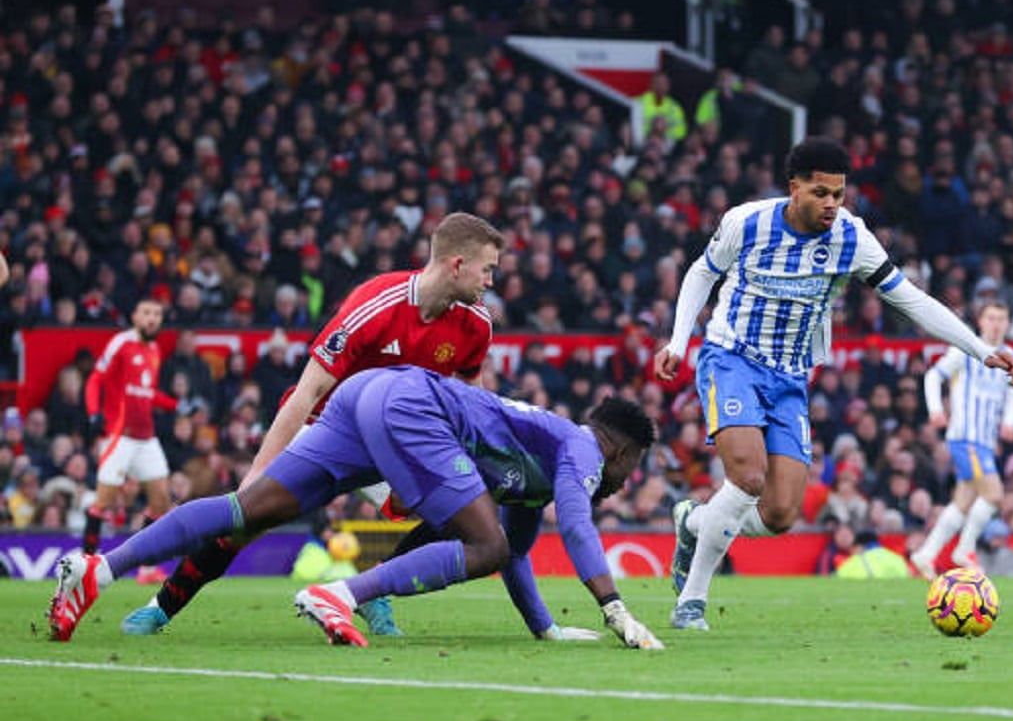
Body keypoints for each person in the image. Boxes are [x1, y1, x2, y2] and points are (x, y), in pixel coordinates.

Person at [654, 137, 1013, 630]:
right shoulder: (748, 222)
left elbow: (910, 300)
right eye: (821, 192)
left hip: (789, 376)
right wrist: (679, 341)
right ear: (795, 188)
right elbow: (702, 273)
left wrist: (980, 348)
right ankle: (691, 602)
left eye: (839, 194)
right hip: (731, 358)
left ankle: (694, 522)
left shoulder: (852, 238)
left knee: (781, 513)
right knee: (747, 475)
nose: (831, 204)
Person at [49, 367, 663, 651]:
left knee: (247, 509)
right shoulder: (584, 446)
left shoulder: (544, 467)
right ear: (621, 450)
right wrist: (614, 608)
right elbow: (578, 526)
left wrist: (546, 627)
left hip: (365, 397)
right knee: (482, 542)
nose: (623, 482)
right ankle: (342, 595)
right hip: (416, 406)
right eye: (629, 468)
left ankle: (99, 569)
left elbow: (519, 554)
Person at [122, 213, 502, 638]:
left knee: (456, 514)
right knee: (246, 521)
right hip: (327, 429)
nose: (490, 281)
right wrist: (257, 476)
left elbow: (472, 397)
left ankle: (369, 586)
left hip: (394, 442)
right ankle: (160, 606)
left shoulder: (476, 323)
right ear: (456, 265)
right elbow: (306, 393)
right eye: (487, 269)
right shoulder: (376, 303)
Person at [911, 301, 1013, 577]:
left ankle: (926, 554)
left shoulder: (1011, 355)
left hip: (985, 440)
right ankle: (965, 548)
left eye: (1001, 318)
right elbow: (934, 375)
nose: (996, 324)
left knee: (963, 502)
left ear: (1007, 324)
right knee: (994, 495)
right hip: (965, 437)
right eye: (991, 318)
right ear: (981, 321)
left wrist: (1009, 422)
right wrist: (935, 409)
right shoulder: (965, 349)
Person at [82, 299, 179, 585]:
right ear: (135, 315)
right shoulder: (120, 343)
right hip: (119, 435)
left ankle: (147, 569)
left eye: (157, 314)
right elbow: (95, 380)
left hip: (146, 437)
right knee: (104, 502)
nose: (152, 318)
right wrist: (93, 413)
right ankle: (84, 566)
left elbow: (146, 394)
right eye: (147, 312)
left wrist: (176, 405)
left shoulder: (154, 350)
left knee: (161, 502)